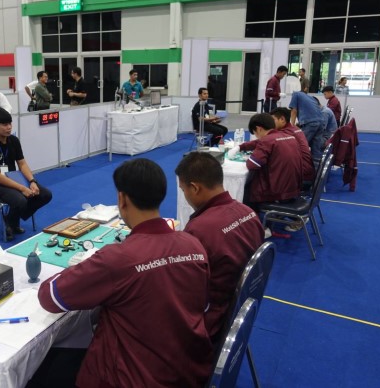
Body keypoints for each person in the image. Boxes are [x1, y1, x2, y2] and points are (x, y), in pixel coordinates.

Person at [35, 158, 213, 388]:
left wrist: (88, 265)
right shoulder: (194, 245)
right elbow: (202, 307)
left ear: (122, 198)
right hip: (188, 371)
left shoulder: (116, 259)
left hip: (130, 378)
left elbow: (49, 296)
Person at [176, 152, 264, 347]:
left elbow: (185, 287)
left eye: (184, 190)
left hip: (213, 322)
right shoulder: (249, 213)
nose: (185, 196)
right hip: (242, 306)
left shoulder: (199, 230)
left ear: (195, 188)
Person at [0, 108, 52, 240]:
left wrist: (32, 181)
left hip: (13, 178)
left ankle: (10, 220)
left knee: (45, 194)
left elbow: (22, 164)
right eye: (5, 124)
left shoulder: (13, 140)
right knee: (20, 200)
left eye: (10, 123)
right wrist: (22, 188)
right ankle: (12, 222)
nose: (9, 127)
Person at [230, 113, 302, 209]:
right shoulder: (289, 137)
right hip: (293, 188)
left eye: (255, 133)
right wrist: (240, 147)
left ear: (259, 129)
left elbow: (252, 165)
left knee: (247, 187)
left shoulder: (267, 141)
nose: (256, 137)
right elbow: (258, 142)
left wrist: (249, 157)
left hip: (277, 192)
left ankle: (249, 215)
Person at [269, 107, 315, 183]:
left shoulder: (285, 134)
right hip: (305, 172)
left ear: (282, 119)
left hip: (300, 177)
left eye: (273, 120)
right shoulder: (295, 129)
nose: (270, 124)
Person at [289, 91, 325, 163]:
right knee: (316, 149)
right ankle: (317, 168)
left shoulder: (295, 94)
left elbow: (294, 110)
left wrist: (291, 126)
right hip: (321, 122)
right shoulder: (311, 98)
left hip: (310, 123)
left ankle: (296, 166)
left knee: (300, 146)